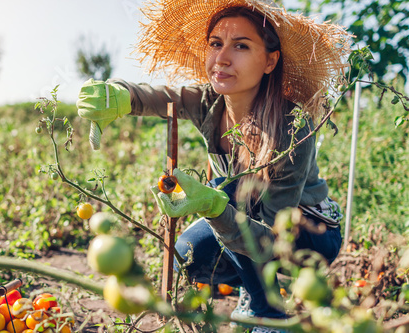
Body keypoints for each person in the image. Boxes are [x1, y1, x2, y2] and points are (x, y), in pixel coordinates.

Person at [76, 1, 351, 332]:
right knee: (188, 257)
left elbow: (274, 236)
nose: (222, 57)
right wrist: (117, 96)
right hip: (249, 226)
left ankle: (269, 313)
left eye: (241, 46)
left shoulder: (292, 126)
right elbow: (152, 97)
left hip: (309, 235)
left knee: (226, 189)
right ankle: (252, 290)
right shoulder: (208, 102)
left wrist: (215, 205)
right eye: (216, 43)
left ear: (270, 60)